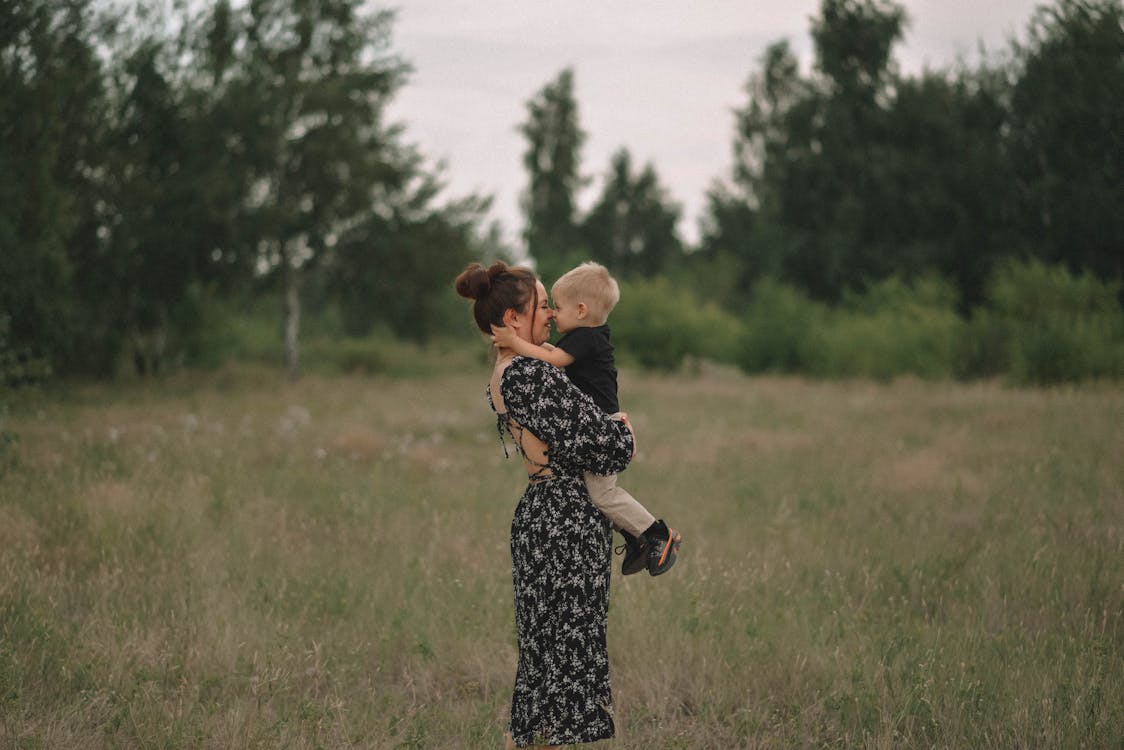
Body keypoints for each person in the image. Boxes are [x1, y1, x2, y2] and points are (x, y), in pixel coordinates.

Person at [456, 261, 635, 749]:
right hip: (564, 522)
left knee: (545, 666)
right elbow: (608, 448)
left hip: (549, 513)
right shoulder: (529, 376)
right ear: (514, 319)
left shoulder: (512, 371)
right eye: (541, 306)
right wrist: (623, 430)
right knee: (562, 667)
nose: (551, 318)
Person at [491, 261, 682, 576]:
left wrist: (514, 343)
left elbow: (552, 359)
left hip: (605, 426)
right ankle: (636, 538)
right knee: (600, 491)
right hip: (604, 421)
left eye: (557, 307)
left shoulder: (585, 338)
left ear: (580, 310)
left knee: (603, 493)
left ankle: (655, 534)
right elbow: (552, 353)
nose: (552, 313)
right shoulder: (587, 337)